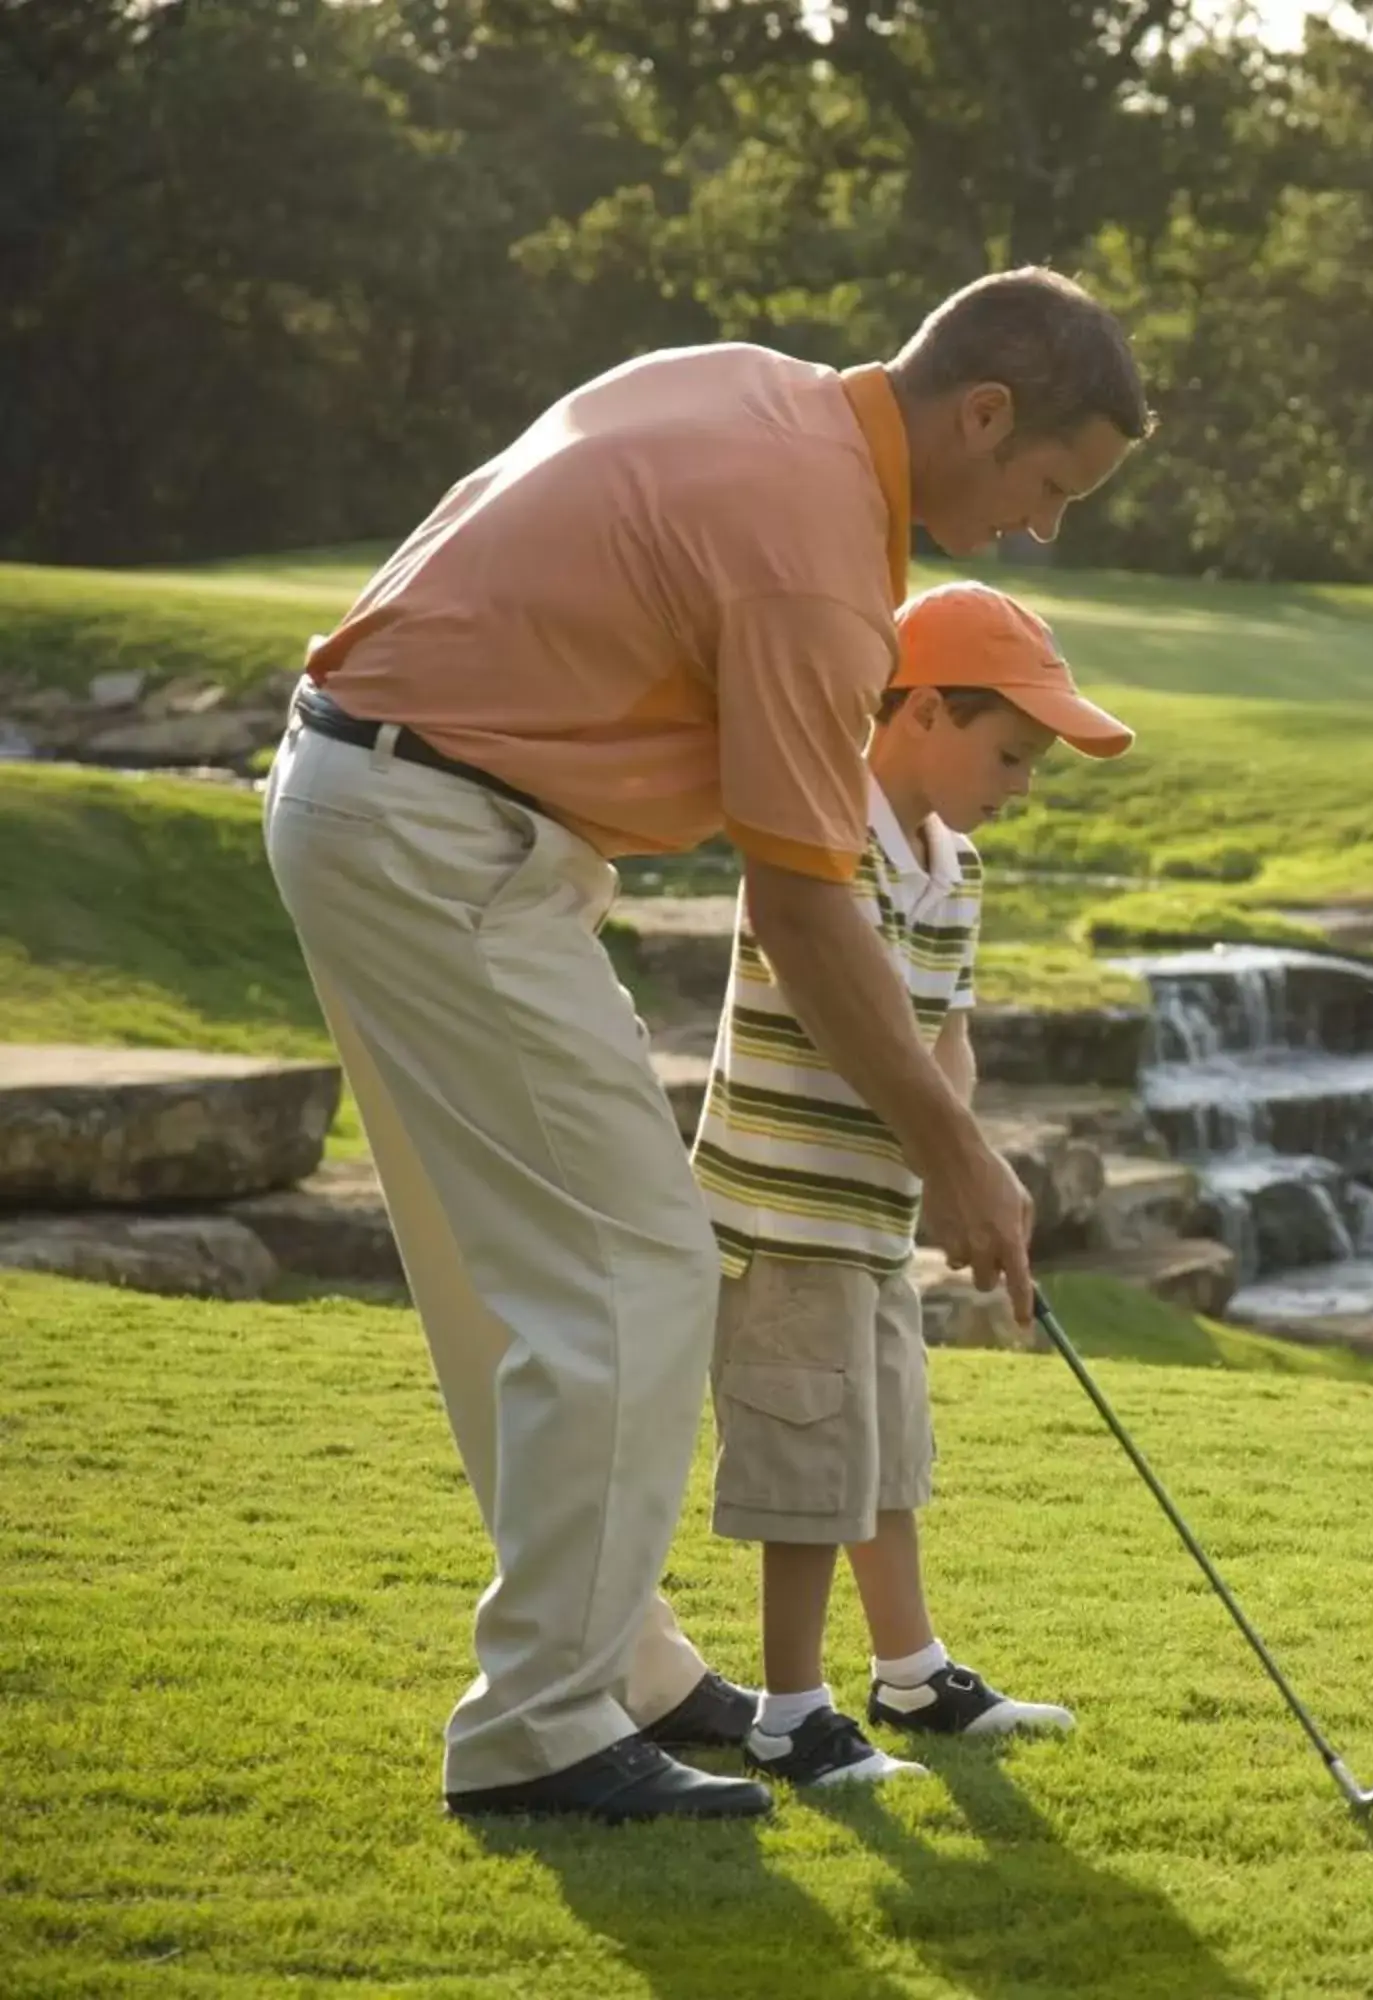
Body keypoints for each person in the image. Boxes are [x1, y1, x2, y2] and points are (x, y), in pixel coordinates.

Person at [263, 271, 1148, 1822]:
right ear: (987, 414)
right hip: (439, 834)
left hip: (382, 798)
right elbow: (808, 914)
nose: (1040, 529)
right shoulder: (818, 569)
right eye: (1048, 486)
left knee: (514, 1288)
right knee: (640, 1266)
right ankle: (539, 1725)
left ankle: (629, 1670)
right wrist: (961, 1163)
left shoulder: (758, 387)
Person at [693, 582, 1134, 1788]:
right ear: (925, 709)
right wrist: (947, 1159)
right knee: (809, 1464)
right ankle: (791, 1708)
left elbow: (944, 1039)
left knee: (884, 1446)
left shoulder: (960, 867)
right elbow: (855, 1022)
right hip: (786, 1212)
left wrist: (962, 1167)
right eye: (1009, 753)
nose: (1023, 783)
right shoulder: (819, 836)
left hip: (871, 1217)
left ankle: (911, 1670)